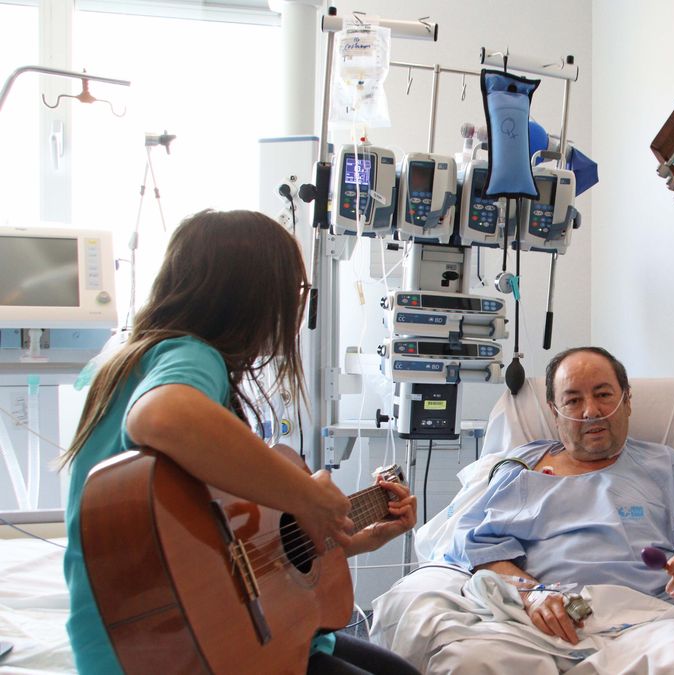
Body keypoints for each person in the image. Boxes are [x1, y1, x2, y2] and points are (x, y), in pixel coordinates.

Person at [58, 210, 420, 675]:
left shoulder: (126, 362)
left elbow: (226, 551)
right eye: (297, 292)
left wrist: (347, 539)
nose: (298, 307)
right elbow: (161, 415)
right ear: (250, 295)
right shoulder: (189, 355)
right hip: (179, 648)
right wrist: (307, 495)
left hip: (160, 636)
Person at [374, 346, 674, 674]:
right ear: (554, 411)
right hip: (540, 623)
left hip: (649, 620)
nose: (592, 412)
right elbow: (480, 548)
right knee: (471, 662)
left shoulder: (665, 467)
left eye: (604, 394)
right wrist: (533, 594)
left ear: (627, 400)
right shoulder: (521, 469)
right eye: (573, 400)